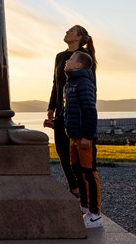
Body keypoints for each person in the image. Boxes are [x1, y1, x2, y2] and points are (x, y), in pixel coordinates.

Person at [46, 25, 97, 197]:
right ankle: (73, 188)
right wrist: (51, 107)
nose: (66, 32)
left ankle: (86, 193)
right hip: (61, 111)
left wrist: (87, 115)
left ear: (79, 37)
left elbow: (91, 87)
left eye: (71, 31)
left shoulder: (84, 57)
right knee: (62, 150)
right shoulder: (60, 57)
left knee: (80, 155)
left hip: (77, 111)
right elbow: (56, 83)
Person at [64, 50, 102, 229]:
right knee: (77, 171)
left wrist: (87, 135)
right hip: (73, 136)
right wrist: (57, 123)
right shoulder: (69, 84)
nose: (67, 60)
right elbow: (69, 110)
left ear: (78, 65)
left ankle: (95, 215)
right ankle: (85, 207)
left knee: (89, 173)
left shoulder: (84, 83)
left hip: (84, 137)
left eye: (71, 59)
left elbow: (90, 110)